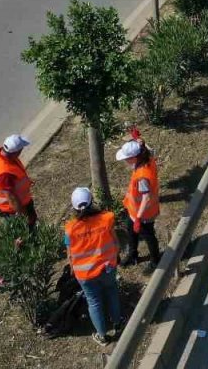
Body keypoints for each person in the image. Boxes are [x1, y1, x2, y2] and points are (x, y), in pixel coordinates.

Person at [64, 187, 122, 346]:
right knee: (111, 291)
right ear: (92, 202)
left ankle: (102, 336)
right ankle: (117, 322)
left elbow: (70, 255)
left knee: (94, 301)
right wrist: (116, 256)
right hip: (107, 268)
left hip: (85, 276)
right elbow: (116, 242)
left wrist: (72, 269)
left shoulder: (70, 229)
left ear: (74, 208)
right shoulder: (107, 218)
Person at [117, 139, 162, 268]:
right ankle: (133, 255)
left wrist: (138, 218)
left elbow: (146, 197)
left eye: (126, 158)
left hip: (144, 214)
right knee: (131, 232)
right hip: (133, 210)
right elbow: (148, 148)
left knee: (148, 236)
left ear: (134, 158)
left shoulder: (143, 176)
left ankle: (155, 260)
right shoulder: (147, 157)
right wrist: (140, 142)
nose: (125, 161)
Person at [0, 134, 36, 228]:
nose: (21, 152)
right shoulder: (5, 174)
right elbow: (12, 199)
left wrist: (26, 182)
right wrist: (24, 216)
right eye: (20, 150)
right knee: (28, 230)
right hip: (13, 210)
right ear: (15, 153)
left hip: (18, 203)